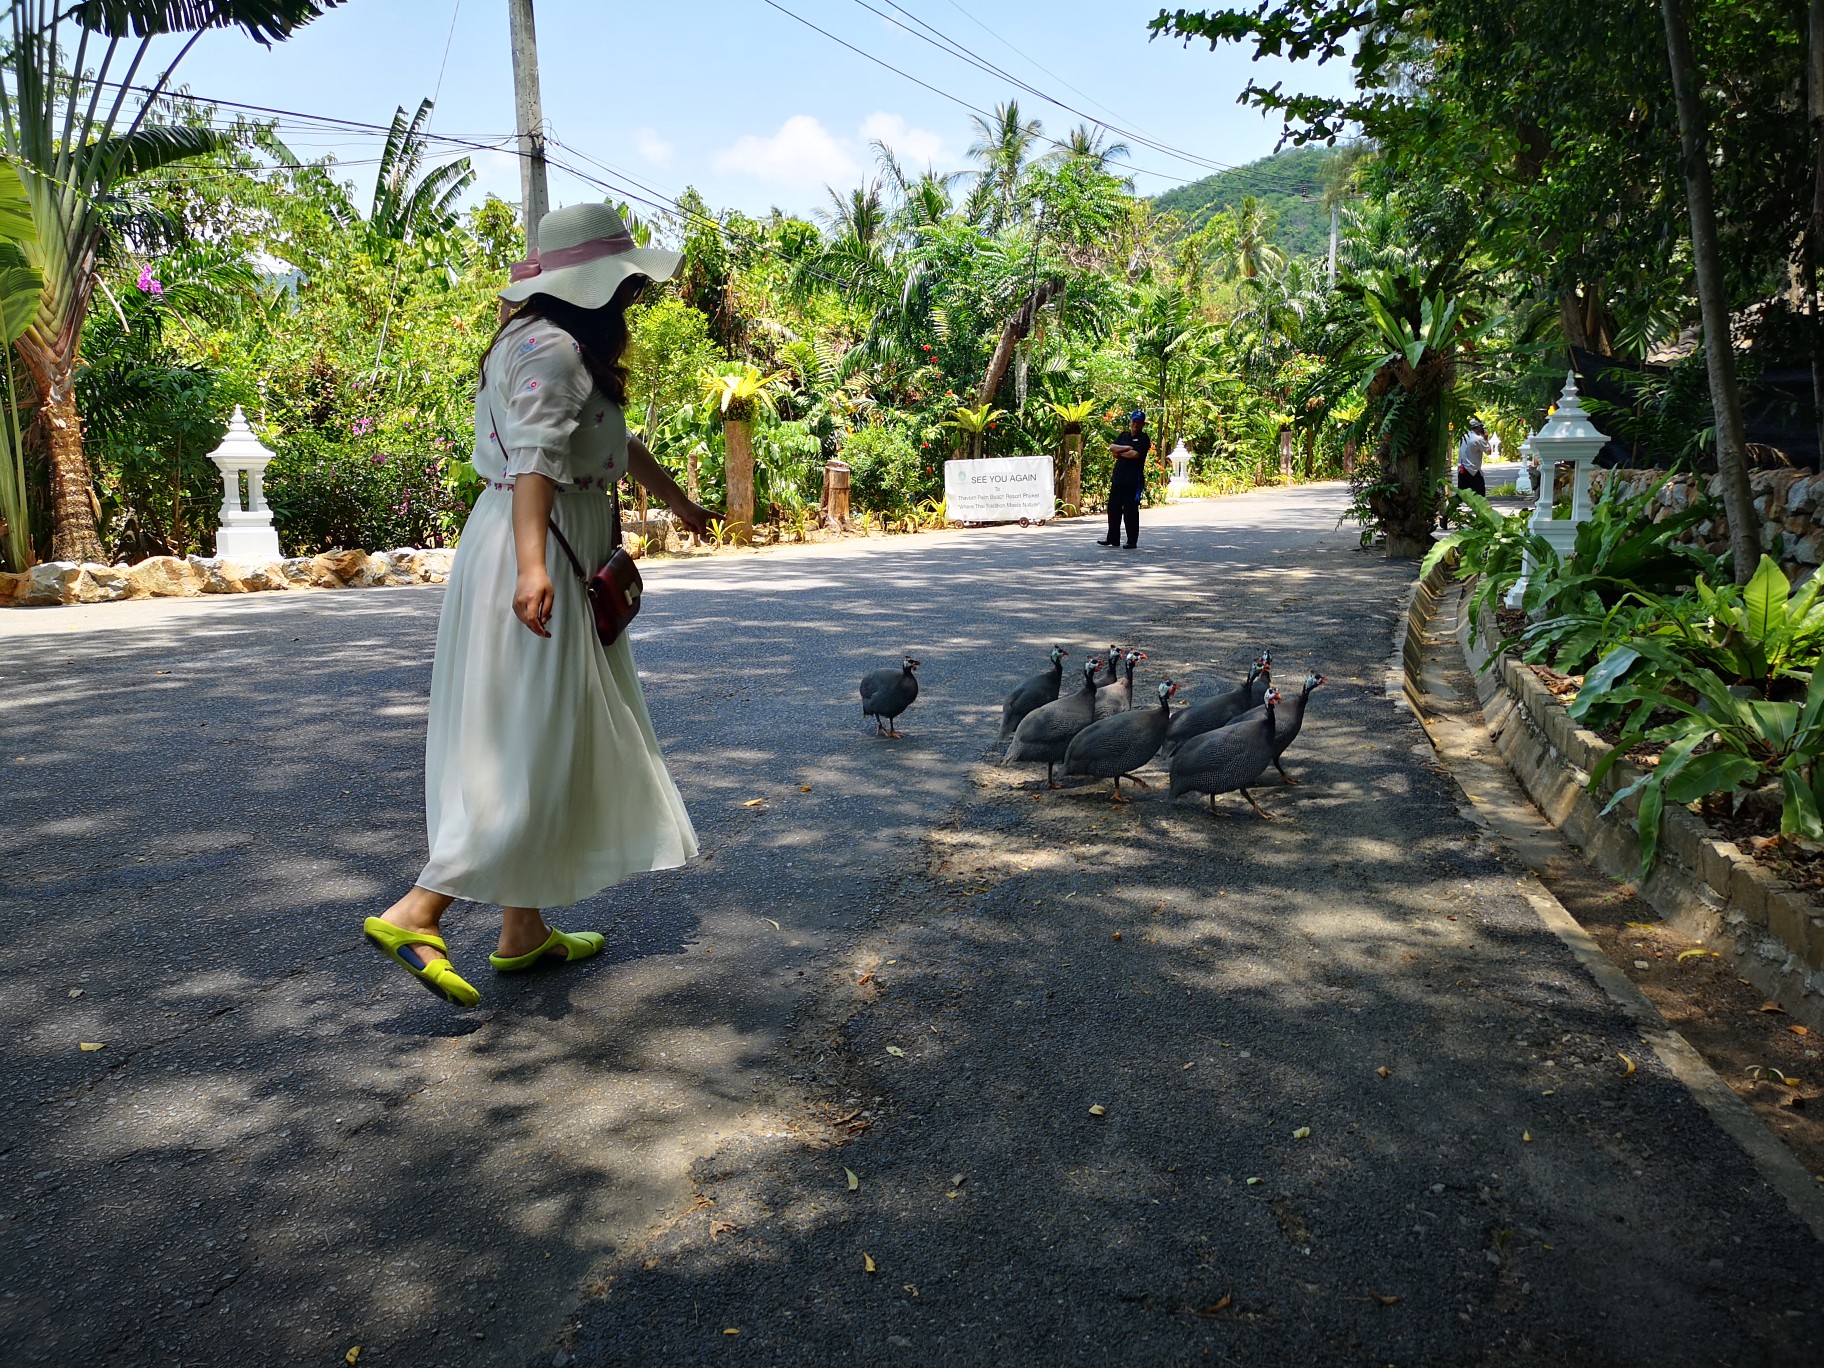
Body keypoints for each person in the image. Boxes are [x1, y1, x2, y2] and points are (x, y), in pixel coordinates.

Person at [362, 203, 714, 1008]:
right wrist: (531, 566)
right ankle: (419, 911)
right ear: (591, 285)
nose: (632, 294)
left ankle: (522, 931)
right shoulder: (552, 351)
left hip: (539, 545)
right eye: (623, 282)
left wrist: (678, 502)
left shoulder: (545, 344)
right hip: (536, 548)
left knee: (540, 724)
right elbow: (533, 462)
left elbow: (611, 444)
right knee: (536, 739)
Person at [1097, 409, 1151, 549]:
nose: (1135, 424)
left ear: (1142, 424)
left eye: (1139, 422)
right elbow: (1112, 447)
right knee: (1113, 510)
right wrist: (1126, 447)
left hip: (1133, 480)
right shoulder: (1124, 436)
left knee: (1130, 511)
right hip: (1118, 478)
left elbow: (1135, 455)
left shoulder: (1143, 438)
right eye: (1134, 421)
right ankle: (1113, 539)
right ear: (1130, 421)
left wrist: (1120, 452)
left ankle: (1131, 541)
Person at [1457, 417, 1490, 499]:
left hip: (1462, 468)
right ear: (1478, 427)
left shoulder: (1463, 437)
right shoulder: (1478, 439)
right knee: (1480, 496)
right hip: (1473, 470)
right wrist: (1486, 438)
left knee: (1461, 495)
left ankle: (1451, 509)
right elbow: (1488, 452)